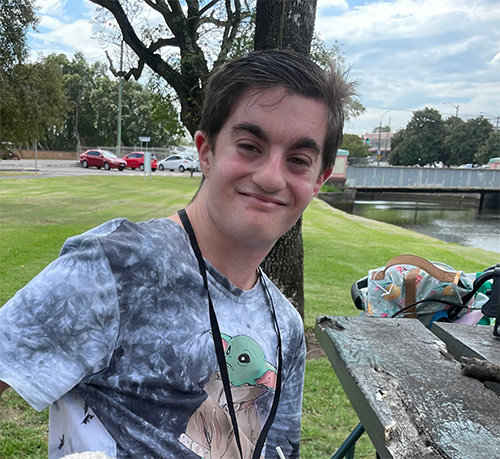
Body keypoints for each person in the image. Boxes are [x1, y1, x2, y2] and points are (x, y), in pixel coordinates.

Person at [0, 49, 354, 459]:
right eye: (249, 146)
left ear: (318, 181)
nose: (272, 176)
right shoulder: (115, 269)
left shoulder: (286, 325)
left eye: (298, 160)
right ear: (206, 152)